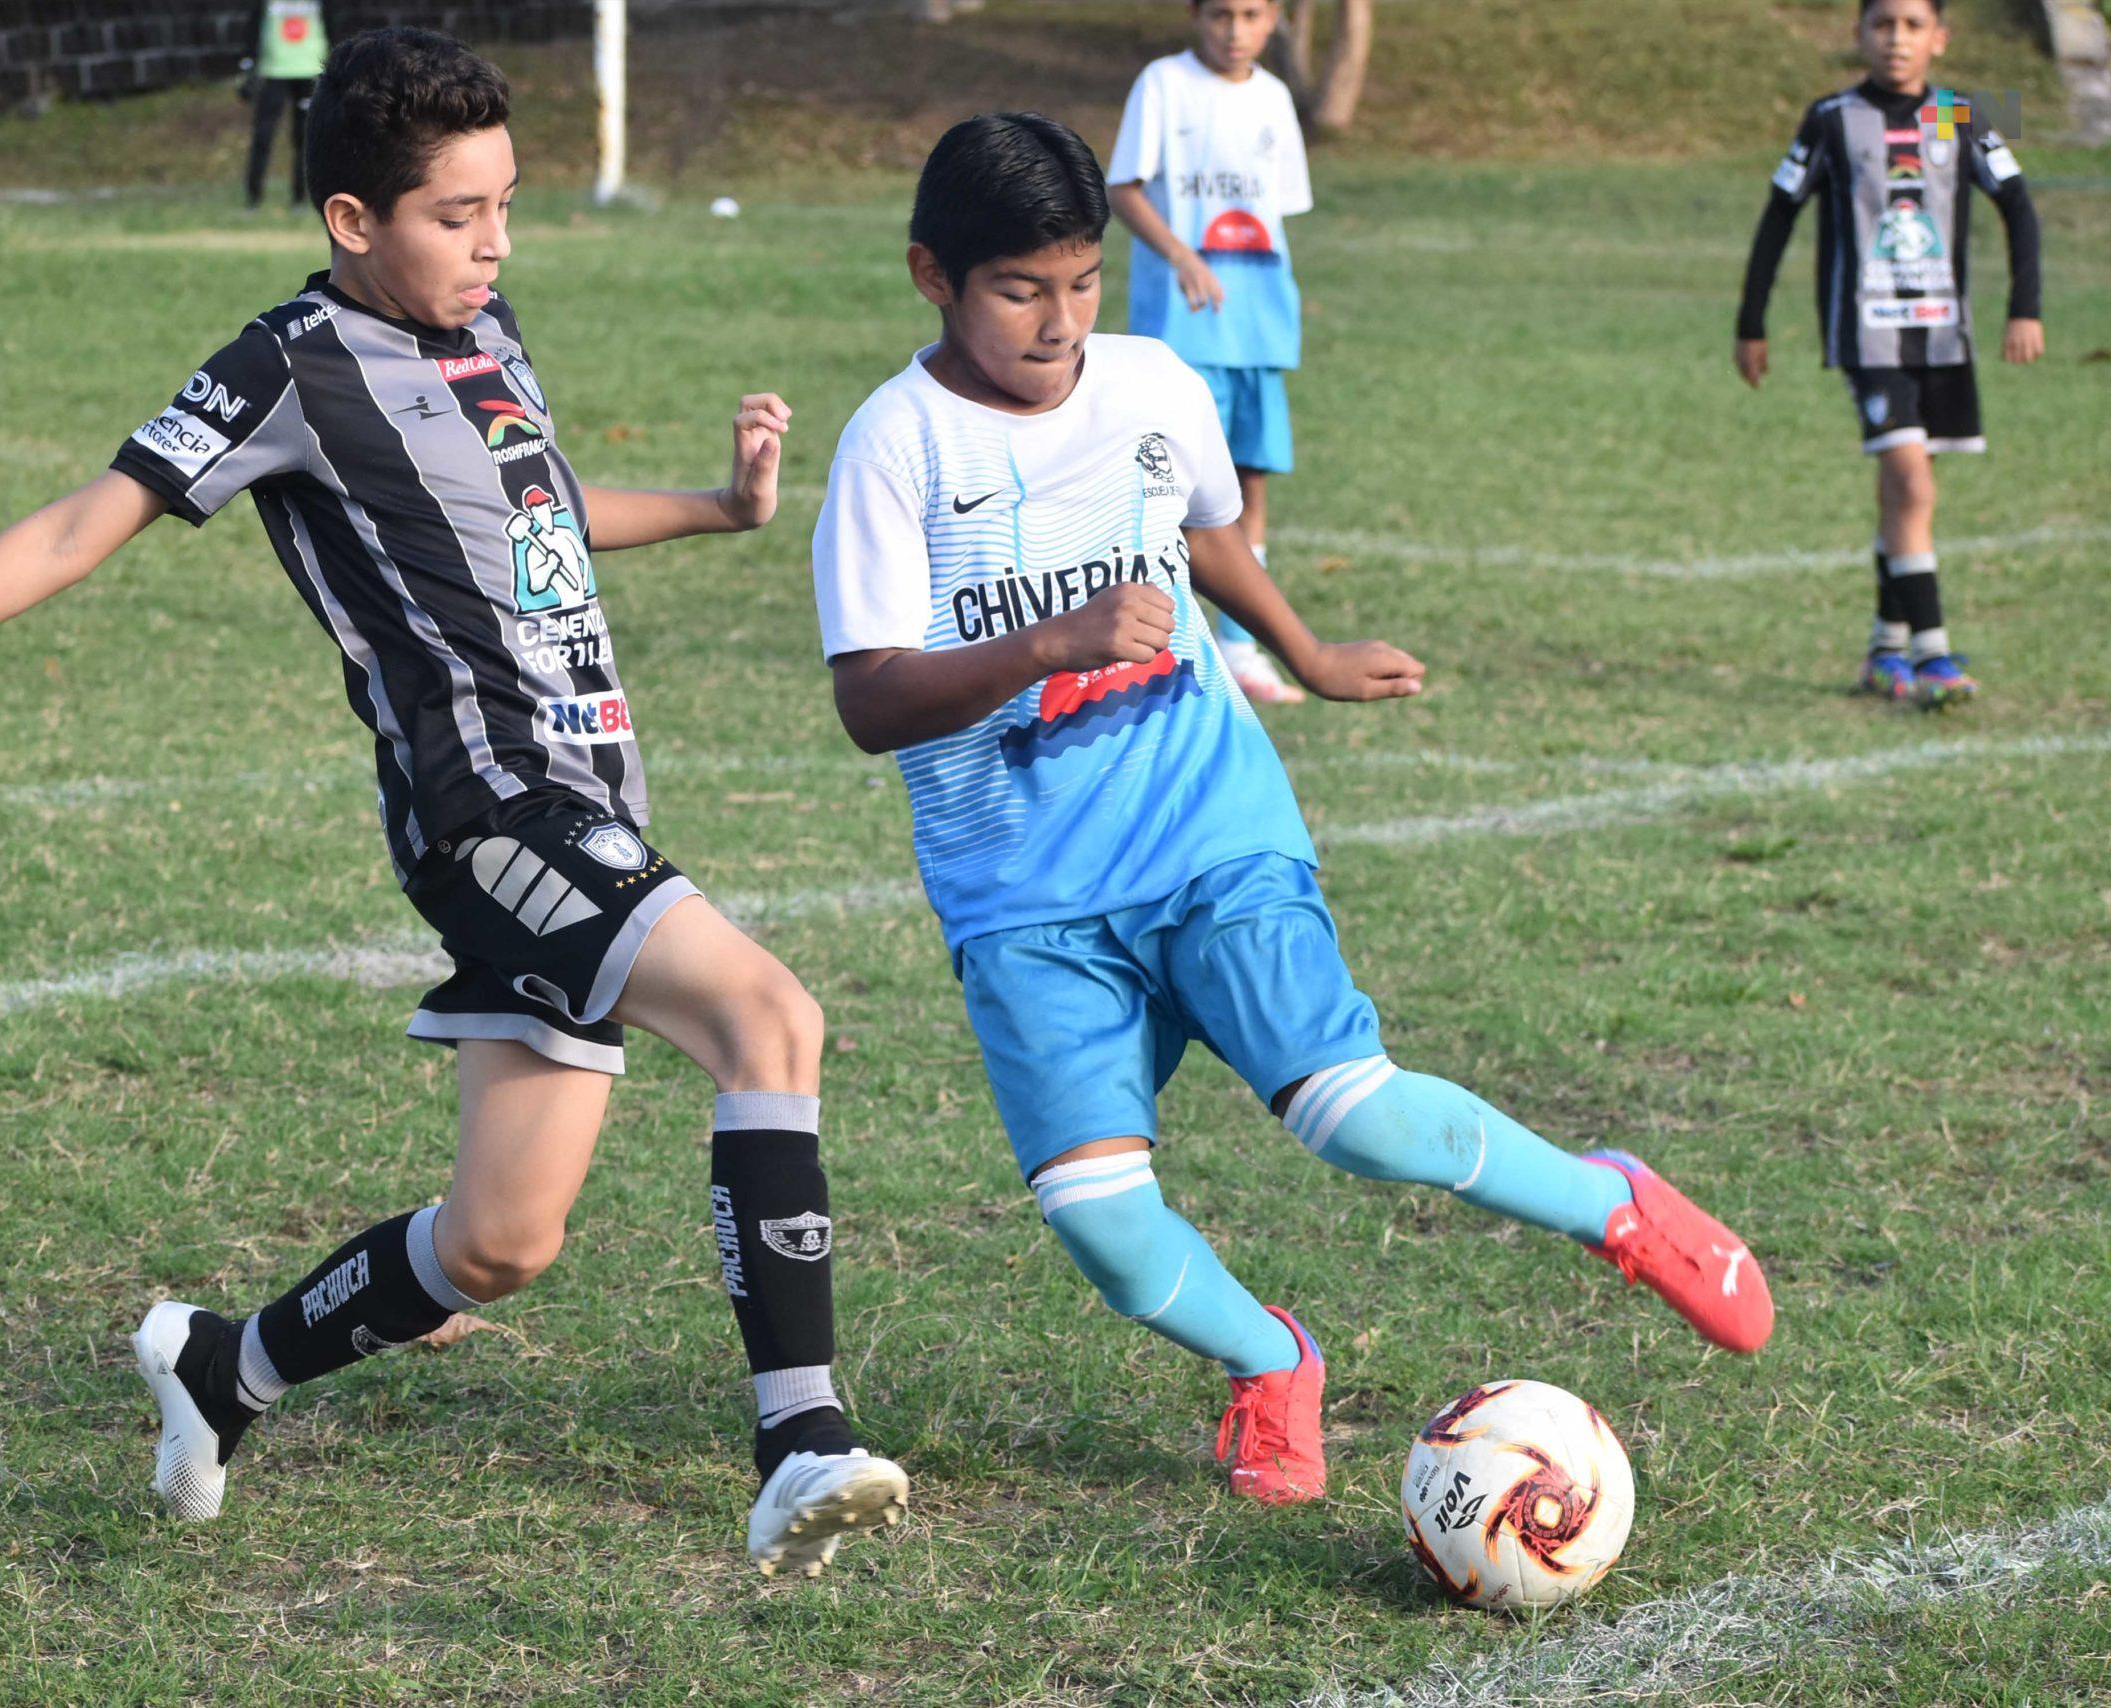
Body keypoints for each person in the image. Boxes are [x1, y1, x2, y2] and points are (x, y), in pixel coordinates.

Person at [0, 28, 908, 1580]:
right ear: (350, 221)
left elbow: (533, 521)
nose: (495, 239)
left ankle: (223, 1370)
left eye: (505, 202)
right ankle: (802, 1441)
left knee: (498, 1244)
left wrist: (718, 507)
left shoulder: (488, 329)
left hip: (589, 796)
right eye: (457, 214)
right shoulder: (284, 366)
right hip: (494, 813)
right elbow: (79, 521)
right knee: (768, 1020)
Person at [811, 113, 1773, 1503]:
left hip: (1205, 824)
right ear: (933, 276)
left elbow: (1205, 528)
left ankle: (1615, 1202)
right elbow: (868, 701)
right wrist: (1046, 644)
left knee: (1358, 1120)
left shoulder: (1149, 384)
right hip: (1021, 890)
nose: (1060, 320)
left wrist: (1306, 655)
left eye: (1081, 282)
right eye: (1022, 288)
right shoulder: (893, 449)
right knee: (1104, 1230)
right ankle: (1272, 1359)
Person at [1736, 0, 2042, 707]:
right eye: (1882, 24)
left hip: (1942, 336)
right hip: (1867, 335)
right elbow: (1779, 212)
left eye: (1912, 25)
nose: (1895, 40)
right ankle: (1934, 654)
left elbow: (2019, 201)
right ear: (1859, 34)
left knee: (1908, 496)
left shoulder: (1958, 114)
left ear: (1940, 37)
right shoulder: (1833, 118)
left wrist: (2024, 307)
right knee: (1912, 487)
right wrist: (1751, 320)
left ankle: (1884, 651)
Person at [1106, 0, 1311, 707]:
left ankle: (1240, 652)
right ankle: (1152, 649)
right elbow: (1123, 187)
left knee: (1248, 486)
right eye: (1220, 13)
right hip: (1183, 333)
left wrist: (1277, 304)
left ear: (1273, 19)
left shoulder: (1275, 99)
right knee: (1163, 496)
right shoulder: (1163, 84)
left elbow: (1273, 215)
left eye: (1251, 14)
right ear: (1195, 16)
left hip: (1255, 329)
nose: (1235, 30)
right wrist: (1180, 255)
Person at [241, 0, 330, 208]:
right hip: (273, 71)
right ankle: (253, 197)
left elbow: (333, 25)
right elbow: (253, 26)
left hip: (310, 70)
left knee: (305, 137)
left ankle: (300, 197)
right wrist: (247, 66)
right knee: (263, 136)